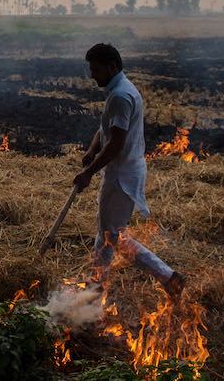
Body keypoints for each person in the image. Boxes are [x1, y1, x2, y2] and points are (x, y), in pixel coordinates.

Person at [74, 43, 185, 301]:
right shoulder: (119, 91)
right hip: (122, 170)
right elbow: (106, 131)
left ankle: (168, 277)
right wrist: (92, 150)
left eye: (96, 70)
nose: (92, 75)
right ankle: (95, 286)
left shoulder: (121, 96)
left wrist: (89, 171)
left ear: (112, 67)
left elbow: (116, 142)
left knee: (113, 236)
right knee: (108, 234)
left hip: (121, 175)